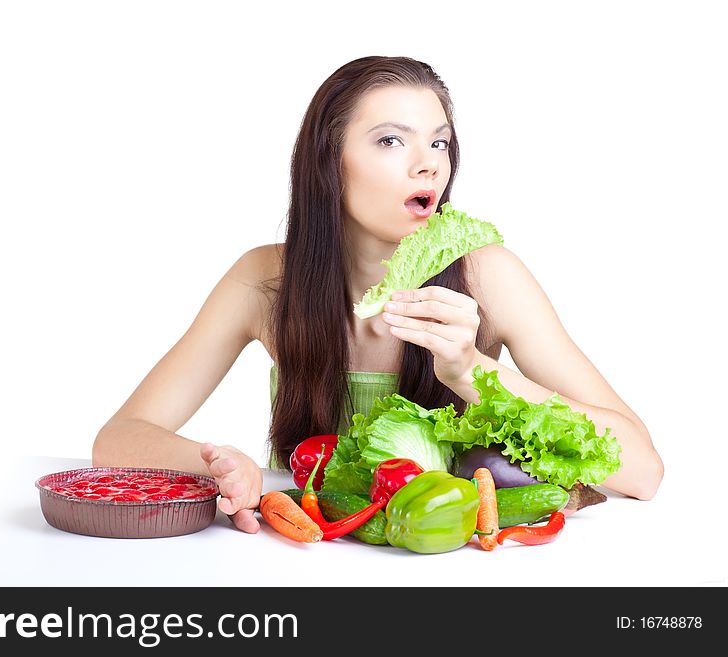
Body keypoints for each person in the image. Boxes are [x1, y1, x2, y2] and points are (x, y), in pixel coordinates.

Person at [92, 56, 664, 534]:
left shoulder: (491, 277)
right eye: (391, 140)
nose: (428, 165)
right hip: (297, 560)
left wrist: (475, 375)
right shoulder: (264, 280)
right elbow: (118, 439)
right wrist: (214, 467)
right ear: (329, 164)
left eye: (440, 143)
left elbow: (642, 471)